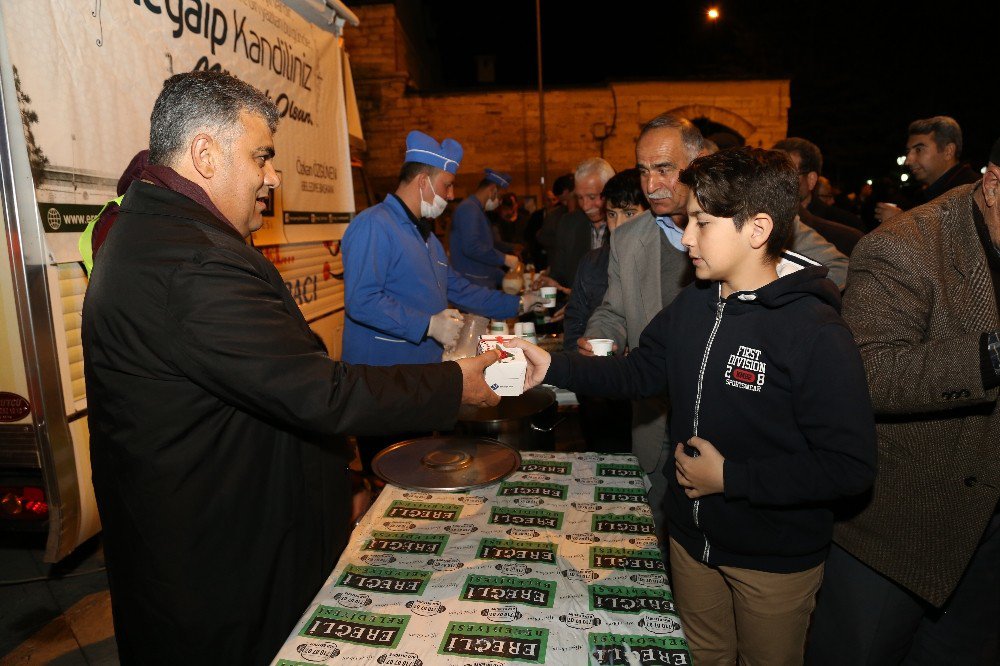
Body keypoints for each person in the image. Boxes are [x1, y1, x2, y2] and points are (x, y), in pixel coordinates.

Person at [81, 71, 506, 665]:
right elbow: (317, 390)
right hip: (215, 570)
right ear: (205, 154)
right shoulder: (188, 263)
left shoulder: (175, 233)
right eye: (262, 157)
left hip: (227, 541)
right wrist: (455, 384)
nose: (273, 177)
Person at [509, 147, 876, 666]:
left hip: (771, 558)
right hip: (688, 539)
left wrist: (732, 478)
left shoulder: (814, 333)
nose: (685, 238)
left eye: (701, 223)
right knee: (704, 655)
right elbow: (641, 370)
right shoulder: (696, 303)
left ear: (758, 228)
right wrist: (555, 368)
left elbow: (849, 467)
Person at [581, 113, 849, 540]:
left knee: (732, 532)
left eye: (665, 169)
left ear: (699, 161)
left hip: (731, 423)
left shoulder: (752, 219)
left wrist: (766, 310)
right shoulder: (630, 238)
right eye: (643, 171)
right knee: (663, 536)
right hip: (654, 415)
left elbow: (836, 268)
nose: (651, 186)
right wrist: (602, 335)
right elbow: (613, 307)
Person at [806, 138, 1000, 665]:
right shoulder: (907, 245)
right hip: (902, 528)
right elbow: (866, 374)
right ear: (994, 183)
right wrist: (990, 358)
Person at [341, 131, 536, 367]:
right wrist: (429, 325)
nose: (452, 195)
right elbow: (362, 300)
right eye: (448, 185)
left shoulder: (429, 240)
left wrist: (519, 303)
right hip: (382, 373)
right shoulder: (375, 225)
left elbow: (460, 290)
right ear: (423, 181)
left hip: (422, 368)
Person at [562, 168, 646, 453]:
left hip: (647, 396)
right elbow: (575, 319)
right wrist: (581, 353)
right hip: (601, 394)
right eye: (612, 215)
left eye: (629, 214)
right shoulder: (593, 262)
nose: (619, 225)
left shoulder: (668, 265)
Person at [875, 115, 981, 224]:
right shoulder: (924, 195)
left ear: (948, 151)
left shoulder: (973, 192)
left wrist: (901, 222)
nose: (908, 161)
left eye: (918, 150)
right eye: (908, 151)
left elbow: (959, 238)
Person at [773, 137, 864, 255]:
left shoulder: (847, 234)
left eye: (787, 174)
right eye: (771, 173)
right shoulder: (758, 224)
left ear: (811, 180)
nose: (775, 181)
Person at [548, 158, 616, 289]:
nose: (585, 206)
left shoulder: (624, 225)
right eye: (579, 197)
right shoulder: (568, 224)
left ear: (610, 191)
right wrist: (549, 282)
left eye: (592, 197)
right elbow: (559, 273)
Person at [449, 168, 519, 288]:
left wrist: (503, 277)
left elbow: (484, 252)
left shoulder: (477, 211)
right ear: (492, 190)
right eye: (499, 197)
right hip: (471, 284)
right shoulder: (469, 209)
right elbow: (472, 247)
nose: (499, 202)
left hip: (480, 281)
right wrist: (504, 259)